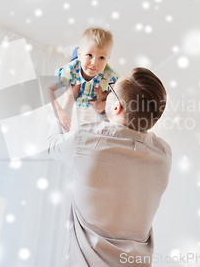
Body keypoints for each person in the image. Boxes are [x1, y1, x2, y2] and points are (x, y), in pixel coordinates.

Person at [48, 67, 172, 267]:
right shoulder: (164, 156)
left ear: (117, 108)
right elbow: (119, 145)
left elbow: (52, 144)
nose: (108, 91)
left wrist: (68, 101)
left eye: (111, 89)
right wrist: (104, 114)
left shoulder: (85, 140)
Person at [46, 27, 119, 131]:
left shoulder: (110, 75)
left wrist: (103, 104)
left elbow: (122, 97)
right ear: (81, 55)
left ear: (107, 59)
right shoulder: (70, 71)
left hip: (94, 96)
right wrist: (59, 111)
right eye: (89, 55)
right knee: (66, 106)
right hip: (76, 88)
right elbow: (47, 89)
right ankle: (75, 52)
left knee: (107, 112)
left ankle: (84, 53)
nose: (94, 62)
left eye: (101, 58)